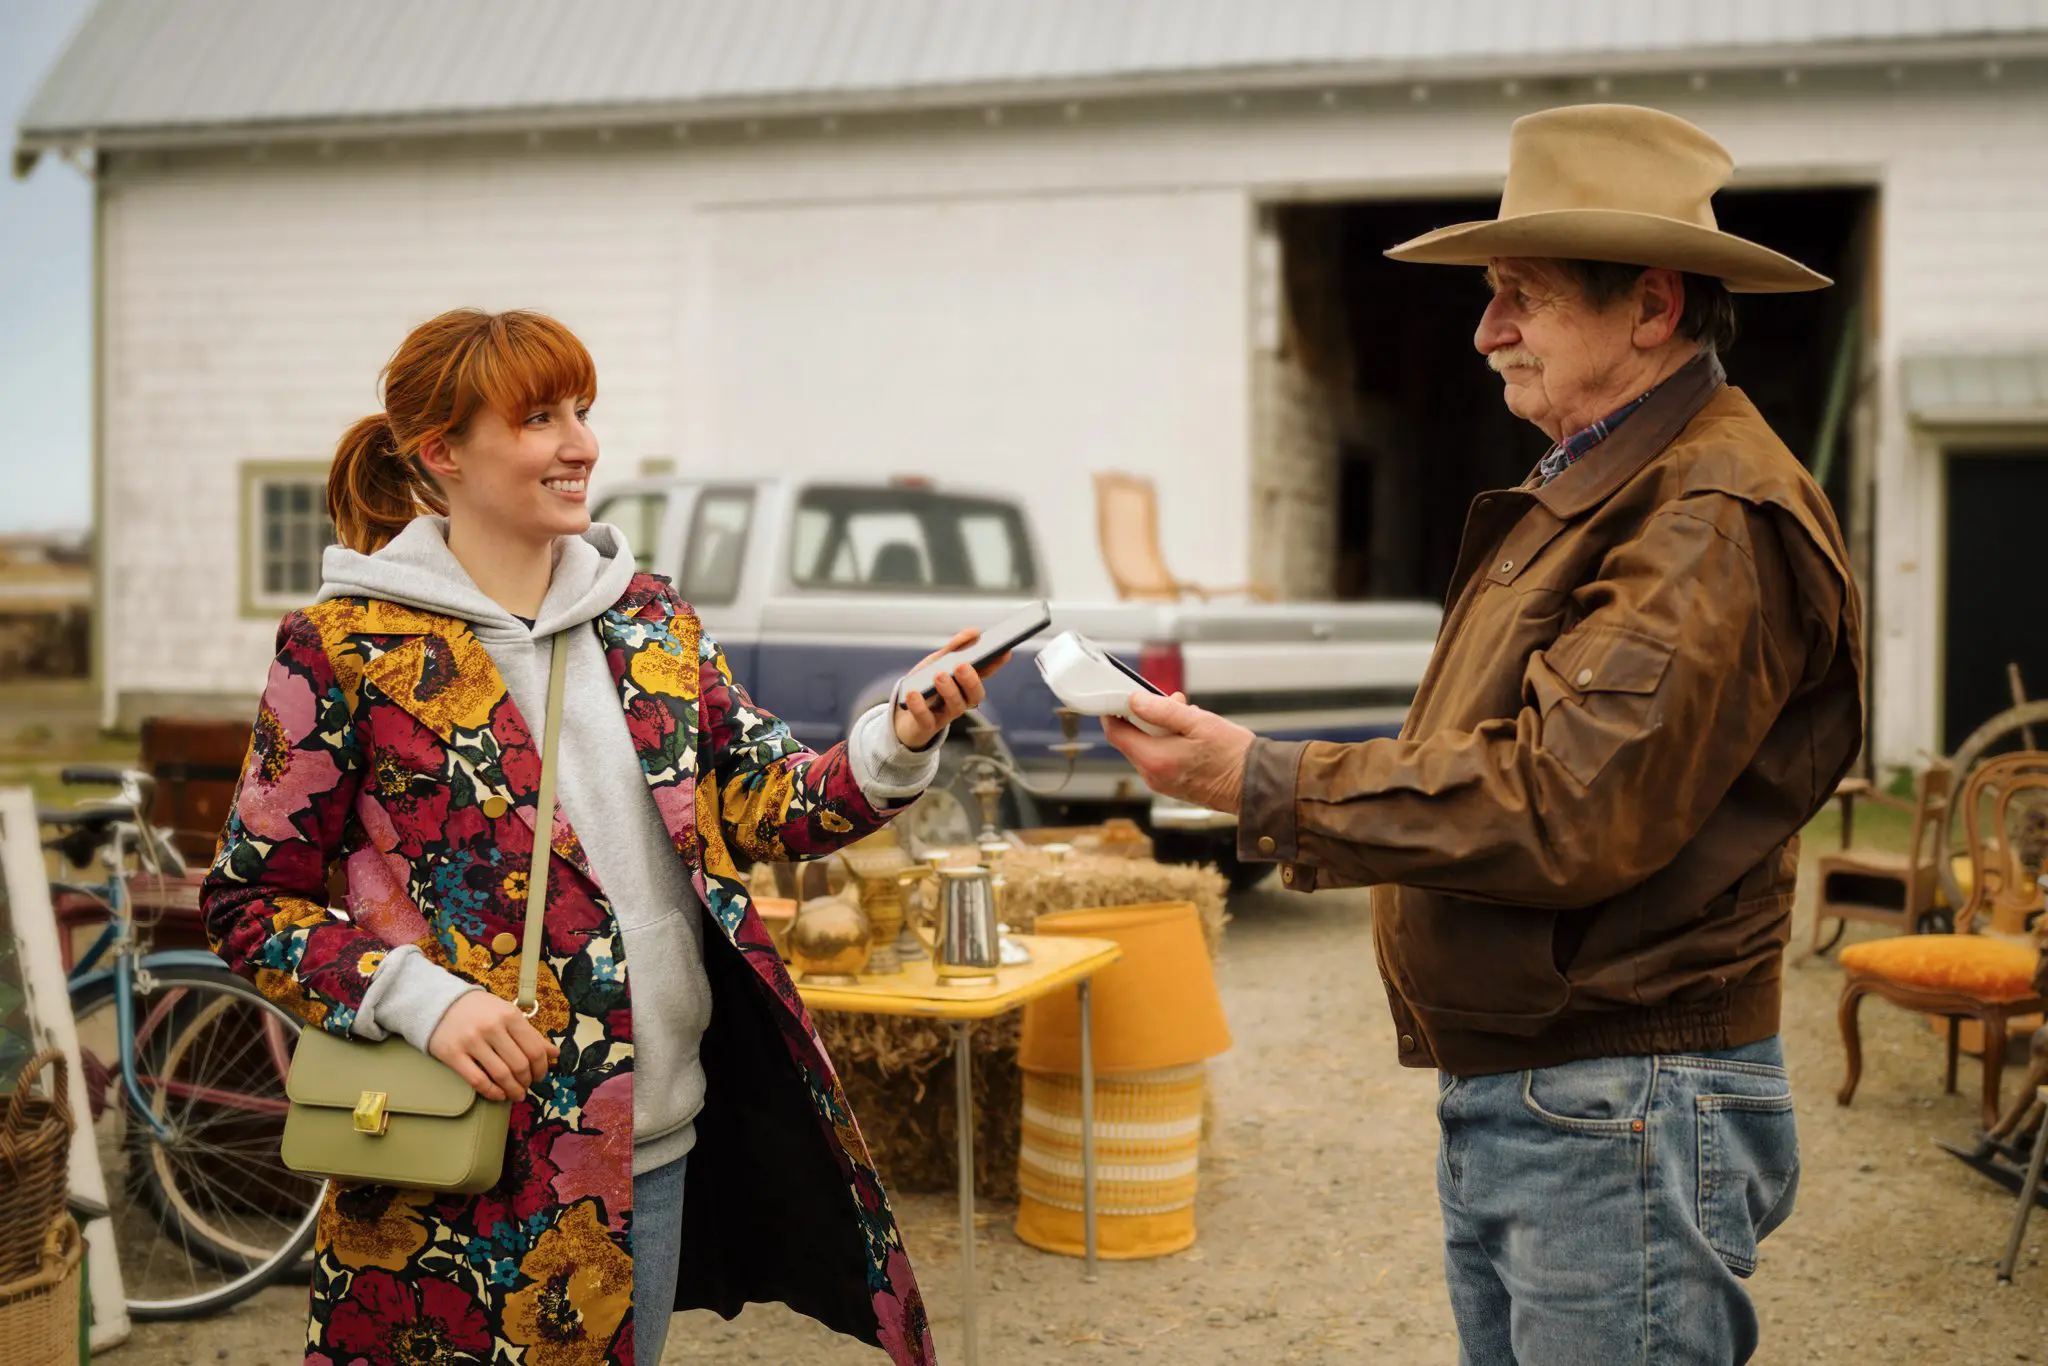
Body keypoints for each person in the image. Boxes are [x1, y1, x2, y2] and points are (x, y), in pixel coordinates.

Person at [1103, 105, 1863, 1365]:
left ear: (1653, 306)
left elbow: (1562, 804)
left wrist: (1264, 778)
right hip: (1569, 1092)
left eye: (1520, 294)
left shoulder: (1706, 511)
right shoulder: (1612, 480)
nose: (1482, 330)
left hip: (1619, 1100)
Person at [201, 308, 995, 1366]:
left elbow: (764, 798)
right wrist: (419, 999)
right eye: (538, 418)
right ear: (442, 451)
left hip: (653, 1140)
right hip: (459, 1155)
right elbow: (249, 902)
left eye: (581, 410)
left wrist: (896, 737)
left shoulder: (651, 619)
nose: (581, 442)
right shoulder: (348, 648)